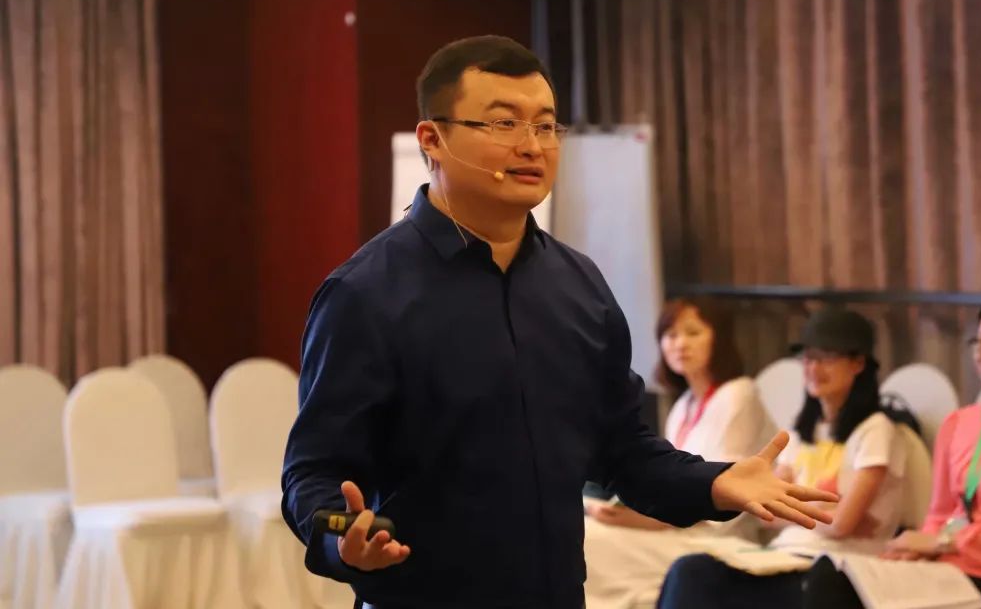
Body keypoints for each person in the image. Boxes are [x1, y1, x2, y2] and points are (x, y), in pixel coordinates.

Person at [279, 35, 835, 609]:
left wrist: (714, 482)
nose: (532, 146)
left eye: (545, 126)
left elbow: (622, 450)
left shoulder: (579, 286)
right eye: (503, 124)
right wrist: (341, 542)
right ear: (432, 138)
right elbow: (312, 471)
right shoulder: (366, 294)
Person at [803, 293, 981, 609]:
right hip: (944, 570)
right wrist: (917, 548)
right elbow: (939, 513)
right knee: (833, 575)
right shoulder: (959, 422)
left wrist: (943, 542)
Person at [656, 307, 909, 609]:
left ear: (858, 363)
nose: (814, 368)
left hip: (837, 567)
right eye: (809, 358)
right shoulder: (800, 432)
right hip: (781, 555)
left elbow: (842, 524)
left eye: (827, 357)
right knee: (690, 571)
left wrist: (800, 508)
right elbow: (766, 510)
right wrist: (826, 509)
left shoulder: (876, 429)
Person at [583, 296, 777, 608]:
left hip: (718, 539)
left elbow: (725, 504)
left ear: (719, 338)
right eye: (670, 335)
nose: (680, 344)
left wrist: (639, 519)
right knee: (583, 530)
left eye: (693, 333)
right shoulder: (683, 405)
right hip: (678, 527)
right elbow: (670, 488)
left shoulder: (737, 394)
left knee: (589, 542)